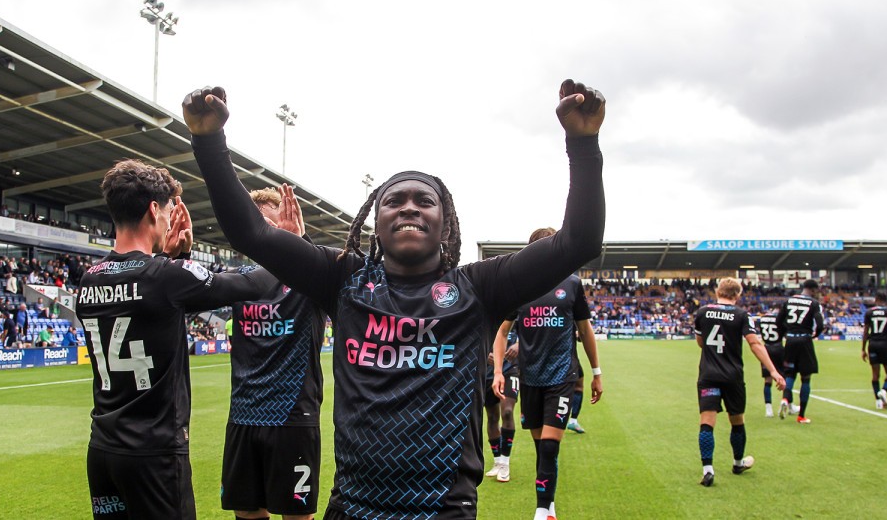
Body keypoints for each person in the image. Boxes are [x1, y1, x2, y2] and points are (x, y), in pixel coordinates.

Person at [184, 78, 606, 520]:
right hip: (352, 507)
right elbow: (250, 232)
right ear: (375, 223)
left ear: (445, 226)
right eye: (393, 201)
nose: (408, 207)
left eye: (424, 200)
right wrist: (208, 140)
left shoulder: (481, 288)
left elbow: (578, 242)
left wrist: (583, 143)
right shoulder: (341, 279)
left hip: (443, 509)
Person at [76, 159, 276, 520]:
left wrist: (173, 258)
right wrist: (284, 242)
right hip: (154, 454)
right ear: (154, 209)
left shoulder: (88, 279)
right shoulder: (165, 277)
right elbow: (254, 285)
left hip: (103, 450)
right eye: (169, 209)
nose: (171, 218)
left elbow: (150, 304)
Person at [221, 185, 327, 520]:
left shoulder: (310, 280)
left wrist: (299, 244)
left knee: (297, 516)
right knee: (247, 513)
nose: (265, 236)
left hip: (293, 419)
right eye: (259, 227)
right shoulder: (237, 280)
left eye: (273, 226)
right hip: (243, 416)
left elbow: (324, 274)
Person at [491, 227, 603, 520]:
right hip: (529, 378)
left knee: (551, 447)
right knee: (542, 449)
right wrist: (498, 372)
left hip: (562, 377)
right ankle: (549, 504)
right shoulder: (520, 288)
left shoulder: (572, 284)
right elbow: (502, 333)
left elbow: (584, 330)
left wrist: (596, 371)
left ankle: (541, 511)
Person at [693, 278, 785, 487]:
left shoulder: (702, 312)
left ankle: (708, 469)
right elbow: (755, 343)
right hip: (733, 376)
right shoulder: (742, 315)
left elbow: (700, 342)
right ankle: (737, 463)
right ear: (737, 295)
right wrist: (773, 370)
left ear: (718, 291)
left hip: (708, 374)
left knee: (707, 422)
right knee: (737, 421)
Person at [776, 279, 824, 423]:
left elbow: (778, 321)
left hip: (790, 340)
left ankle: (785, 399)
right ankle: (801, 415)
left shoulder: (789, 301)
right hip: (805, 340)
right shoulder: (814, 304)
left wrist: (785, 333)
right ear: (813, 290)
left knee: (789, 374)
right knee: (806, 378)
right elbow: (820, 323)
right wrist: (815, 334)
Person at [483, 327, 519, 483]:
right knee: (492, 417)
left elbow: (532, 332)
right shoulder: (483, 313)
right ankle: (497, 461)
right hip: (487, 374)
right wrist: (483, 355)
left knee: (507, 412)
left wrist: (520, 344)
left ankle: (505, 462)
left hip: (510, 370)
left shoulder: (514, 313)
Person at [755, 310, 784, 417]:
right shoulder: (779, 318)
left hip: (766, 348)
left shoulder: (762, 319)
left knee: (767, 380)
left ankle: (768, 409)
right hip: (778, 348)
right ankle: (785, 403)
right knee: (784, 378)